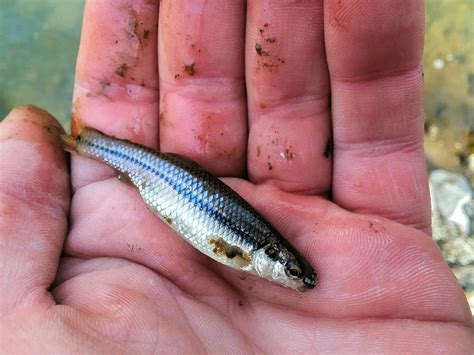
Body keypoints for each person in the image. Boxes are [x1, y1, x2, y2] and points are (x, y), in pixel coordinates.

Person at [1, 1, 471, 352]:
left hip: (169, 183)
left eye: (297, 273)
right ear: (271, 258)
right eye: (292, 271)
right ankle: (90, 142)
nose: (299, 279)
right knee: (133, 164)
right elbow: (226, 248)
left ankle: (91, 142)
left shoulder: (253, 256)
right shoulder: (251, 255)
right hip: (166, 180)